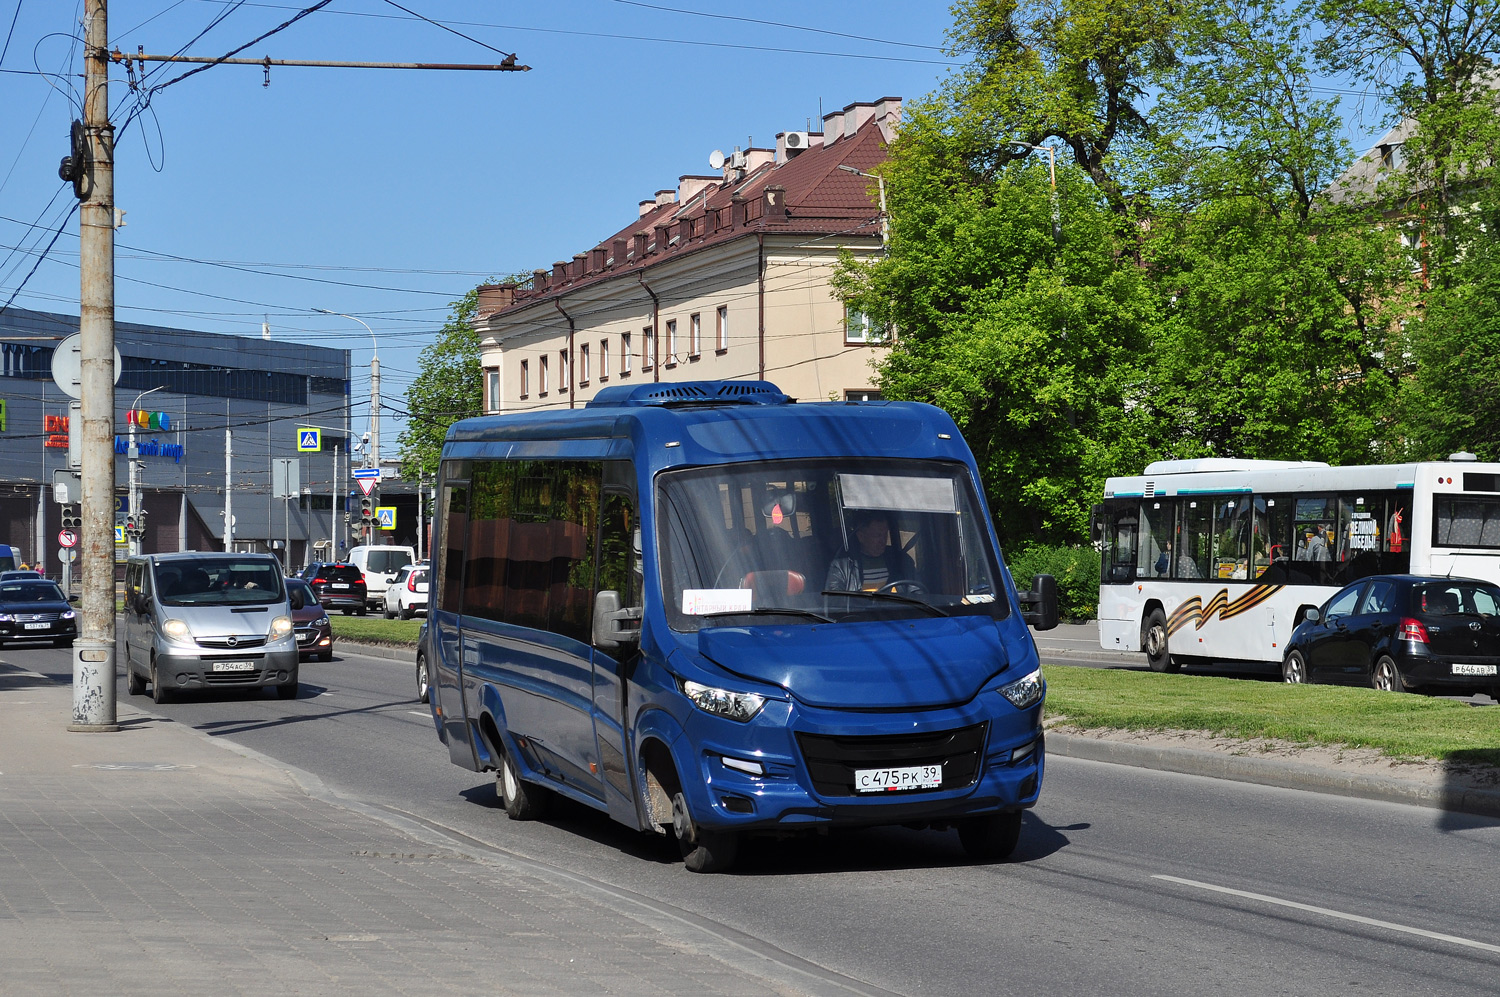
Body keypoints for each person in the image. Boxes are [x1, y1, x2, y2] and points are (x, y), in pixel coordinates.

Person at [825, 510, 916, 593]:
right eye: (877, 535)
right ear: (861, 536)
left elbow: (917, 593)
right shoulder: (841, 567)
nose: (883, 540)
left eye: (885, 534)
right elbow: (836, 603)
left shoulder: (901, 561)